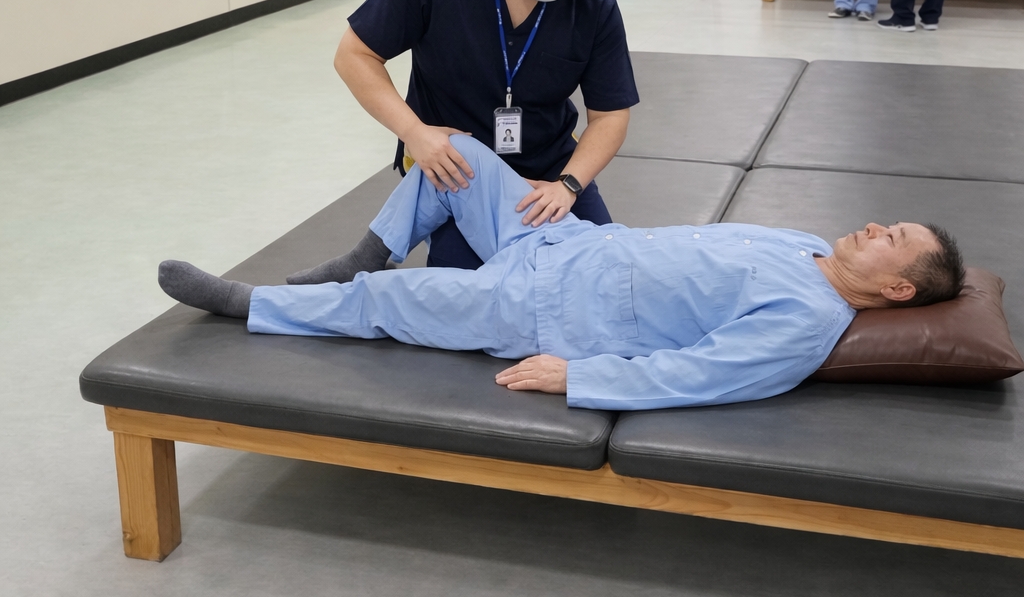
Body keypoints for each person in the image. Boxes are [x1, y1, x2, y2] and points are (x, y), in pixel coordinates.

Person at [158, 136, 965, 413]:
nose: (873, 226)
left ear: (897, 289)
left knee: (388, 300)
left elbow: (698, 375)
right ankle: (362, 250)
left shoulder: (806, 323)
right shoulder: (803, 244)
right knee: (455, 156)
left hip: (540, 309)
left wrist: (577, 376)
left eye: (890, 237)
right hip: (569, 240)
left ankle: (252, 303)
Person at [301, 0, 639, 284]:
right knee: (470, 290)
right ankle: (364, 262)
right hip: (453, 171)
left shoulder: (594, 6)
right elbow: (355, 55)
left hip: (549, 173)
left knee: (607, 279)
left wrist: (569, 185)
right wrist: (414, 132)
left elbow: (610, 115)